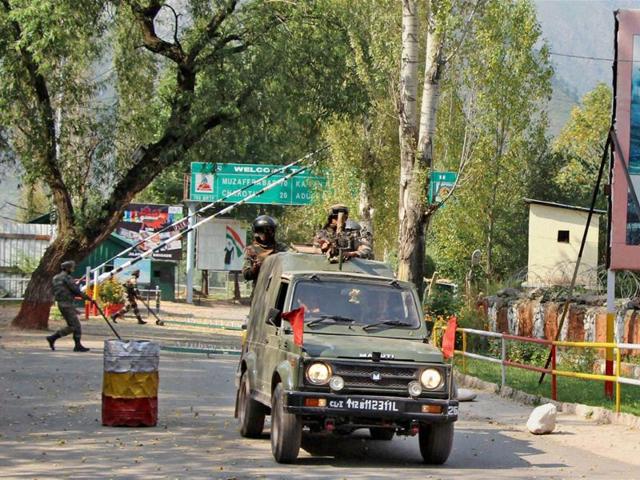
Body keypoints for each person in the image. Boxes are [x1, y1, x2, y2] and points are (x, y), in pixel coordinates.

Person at [46, 260, 94, 352]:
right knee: (75, 326)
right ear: (68, 268)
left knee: (73, 325)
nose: (73, 269)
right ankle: (54, 338)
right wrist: (89, 298)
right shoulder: (67, 278)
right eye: (72, 267)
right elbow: (76, 290)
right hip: (67, 303)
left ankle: (56, 339)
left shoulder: (56, 277)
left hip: (61, 303)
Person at [242, 215, 288, 286]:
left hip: (278, 286)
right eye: (261, 232)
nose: (264, 235)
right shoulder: (251, 250)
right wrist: (255, 269)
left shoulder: (281, 248)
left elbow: (291, 262)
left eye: (267, 231)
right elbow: (246, 275)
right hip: (260, 289)